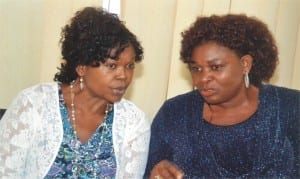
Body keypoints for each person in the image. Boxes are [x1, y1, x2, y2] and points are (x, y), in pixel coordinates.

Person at [0, 7, 150, 178]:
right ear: (82, 67)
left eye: (129, 66)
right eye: (112, 66)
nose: (123, 75)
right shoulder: (33, 105)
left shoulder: (134, 123)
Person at [144, 14, 300, 178]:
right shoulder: (174, 113)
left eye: (216, 67)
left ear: (245, 64)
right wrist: (155, 173)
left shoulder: (291, 108)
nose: (203, 78)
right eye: (196, 68)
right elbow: (150, 172)